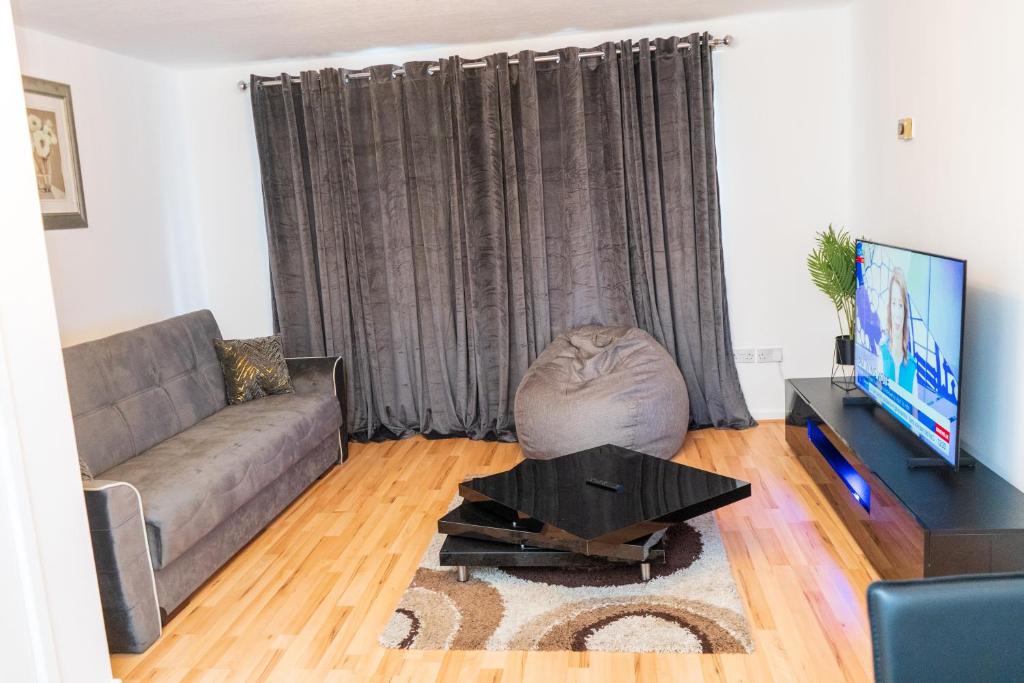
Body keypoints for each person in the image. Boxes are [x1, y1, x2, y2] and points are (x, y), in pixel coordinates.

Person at [878, 267, 917, 393]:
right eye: (893, 303)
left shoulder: (912, 366)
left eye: (900, 305)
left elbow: (914, 412)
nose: (897, 312)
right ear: (889, 307)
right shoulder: (881, 353)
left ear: (905, 311)